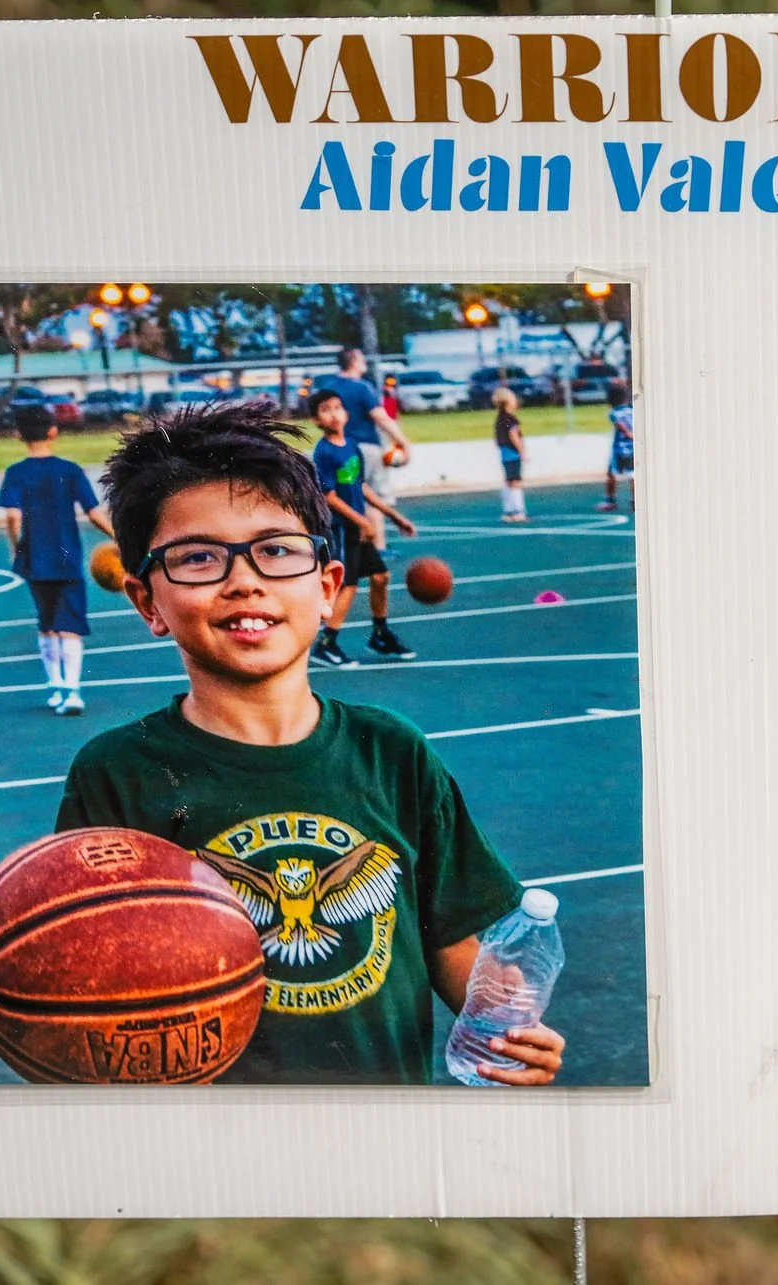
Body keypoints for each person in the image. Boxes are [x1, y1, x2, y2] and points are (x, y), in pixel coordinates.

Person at [57, 401, 566, 1085]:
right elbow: (80, 963)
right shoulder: (116, 774)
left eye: (275, 549)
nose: (244, 578)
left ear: (327, 587)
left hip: (386, 1140)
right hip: (207, 1153)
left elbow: (447, 934)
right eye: (199, 556)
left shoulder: (393, 753)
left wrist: (504, 1017)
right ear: (148, 600)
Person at [0, 403, 113, 715]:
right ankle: (72, 693)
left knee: (46, 621)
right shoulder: (70, 470)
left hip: (35, 558)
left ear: (17, 435)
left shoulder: (16, 472)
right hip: (67, 558)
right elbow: (94, 514)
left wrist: (15, 545)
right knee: (70, 623)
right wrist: (120, 538)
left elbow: (11, 514)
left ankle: (56, 687)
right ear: (53, 431)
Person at [307, 388, 417, 667]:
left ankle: (380, 634)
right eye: (325, 410)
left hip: (357, 525)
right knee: (348, 585)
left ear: (346, 413)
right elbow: (327, 496)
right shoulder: (325, 451)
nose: (334, 413)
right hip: (341, 527)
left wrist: (392, 515)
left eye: (337, 407)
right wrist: (361, 521)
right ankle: (326, 643)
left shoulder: (352, 445)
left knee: (380, 576)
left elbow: (360, 485)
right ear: (317, 420)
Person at [319, 348, 411, 549]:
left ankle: (354, 545)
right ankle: (378, 548)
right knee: (372, 498)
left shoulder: (329, 387)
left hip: (339, 447)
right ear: (353, 361)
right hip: (365, 447)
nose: (364, 364)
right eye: (361, 360)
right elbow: (380, 417)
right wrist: (402, 441)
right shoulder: (362, 387)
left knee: (347, 498)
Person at [598, 379, 635, 514]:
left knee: (612, 474)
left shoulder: (614, 413)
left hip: (621, 448)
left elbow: (621, 426)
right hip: (633, 447)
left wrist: (629, 434)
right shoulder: (632, 409)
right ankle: (635, 502)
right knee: (633, 475)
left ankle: (610, 501)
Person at [493, 385, 527, 523]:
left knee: (508, 482)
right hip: (512, 454)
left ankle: (508, 511)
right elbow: (514, 435)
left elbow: (497, 438)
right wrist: (521, 451)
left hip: (504, 454)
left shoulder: (499, 418)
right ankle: (518, 511)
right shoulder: (510, 419)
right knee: (515, 482)